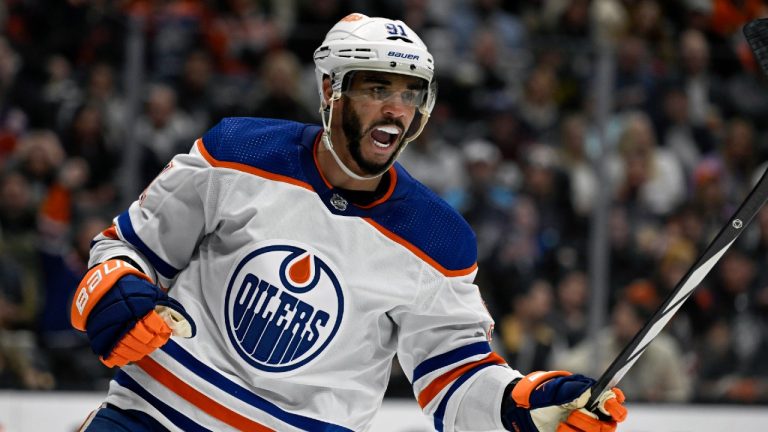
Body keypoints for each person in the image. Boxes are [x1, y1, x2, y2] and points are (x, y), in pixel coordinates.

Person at [70, 13, 627, 432]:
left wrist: (523, 404)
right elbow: (128, 247)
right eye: (376, 88)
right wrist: (118, 285)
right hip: (150, 415)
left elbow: (454, 379)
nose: (396, 109)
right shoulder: (238, 151)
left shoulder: (438, 239)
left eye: (410, 93)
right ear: (329, 90)